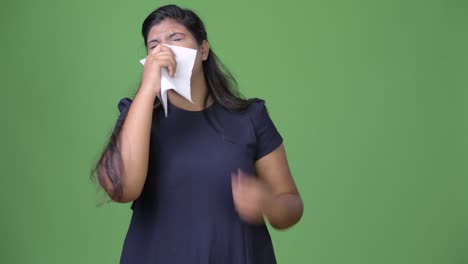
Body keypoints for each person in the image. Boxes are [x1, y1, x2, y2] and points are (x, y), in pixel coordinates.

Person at [91, 4, 303, 264]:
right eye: (154, 45)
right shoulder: (138, 116)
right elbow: (122, 189)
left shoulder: (250, 117)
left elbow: (291, 205)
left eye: (176, 38)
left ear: (203, 49)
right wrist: (147, 90)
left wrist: (268, 203)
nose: (164, 50)